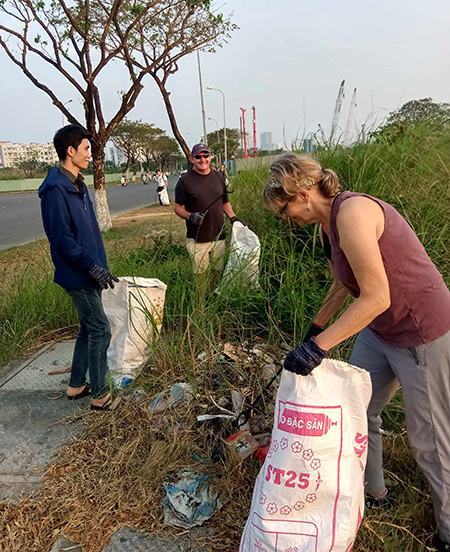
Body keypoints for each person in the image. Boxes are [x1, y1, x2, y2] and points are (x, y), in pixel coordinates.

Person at [263, 153, 450, 552]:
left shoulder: (354, 213)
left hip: (419, 331)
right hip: (380, 331)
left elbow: (376, 297)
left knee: (430, 441)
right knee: (359, 412)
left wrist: (319, 348)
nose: (285, 217)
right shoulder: (328, 226)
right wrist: (316, 326)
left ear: (301, 190)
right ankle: (375, 495)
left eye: (284, 208)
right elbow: (344, 282)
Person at [38, 125, 118, 411]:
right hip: (77, 273)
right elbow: (62, 239)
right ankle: (100, 394)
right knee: (100, 329)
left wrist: (100, 266)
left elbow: (88, 232)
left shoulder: (78, 184)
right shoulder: (55, 190)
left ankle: (76, 385)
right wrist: (89, 267)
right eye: (85, 149)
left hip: (90, 269)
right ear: (70, 151)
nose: (89, 155)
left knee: (88, 327)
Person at [174, 143, 239, 276]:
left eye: (206, 155)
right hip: (197, 238)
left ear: (210, 157)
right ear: (192, 159)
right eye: (198, 157)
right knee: (201, 277)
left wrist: (234, 219)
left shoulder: (219, 177)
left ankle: (215, 296)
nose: (202, 160)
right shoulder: (185, 181)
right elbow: (178, 208)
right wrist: (190, 216)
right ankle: (202, 298)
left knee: (218, 272)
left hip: (219, 236)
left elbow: (225, 203)